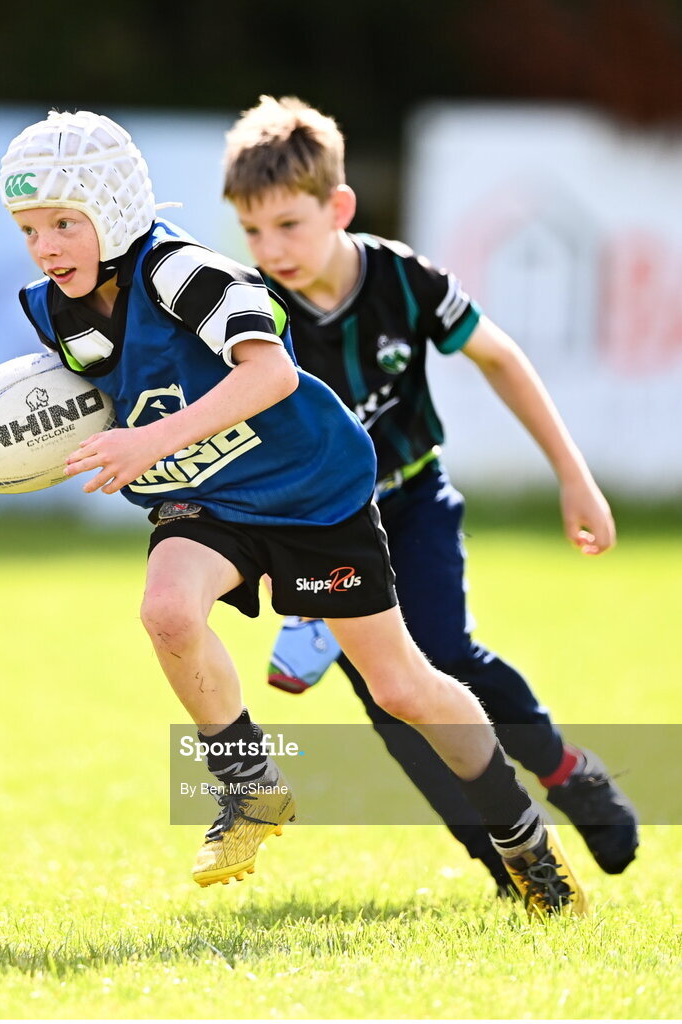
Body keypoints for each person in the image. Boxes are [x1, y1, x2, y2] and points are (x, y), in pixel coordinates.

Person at [0, 108, 588, 916]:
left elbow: (270, 375)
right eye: (29, 228)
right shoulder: (53, 305)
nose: (46, 246)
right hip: (207, 496)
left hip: (311, 490)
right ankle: (250, 785)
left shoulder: (183, 272)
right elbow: (91, 400)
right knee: (167, 610)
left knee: (401, 688)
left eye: (65, 223)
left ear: (114, 210)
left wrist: (153, 440)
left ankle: (521, 833)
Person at [221, 94, 639, 890]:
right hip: (326, 531)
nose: (268, 248)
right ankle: (510, 863)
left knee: (443, 655)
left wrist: (572, 475)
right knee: (393, 704)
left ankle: (568, 772)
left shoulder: (403, 280)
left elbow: (500, 358)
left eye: (287, 225)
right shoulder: (247, 312)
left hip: (412, 500)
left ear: (337, 206)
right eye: (250, 230)